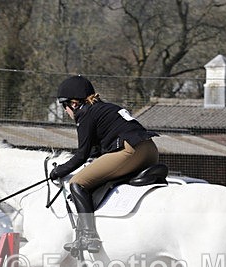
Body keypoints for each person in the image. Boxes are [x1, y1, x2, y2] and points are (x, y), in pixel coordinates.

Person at [48, 75, 159, 255]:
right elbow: (95, 151)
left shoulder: (85, 114)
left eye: (64, 106)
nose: (66, 111)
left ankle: (88, 236)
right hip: (150, 150)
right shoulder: (105, 108)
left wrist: (59, 171)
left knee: (77, 183)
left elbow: (82, 155)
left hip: (130, 150)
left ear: (74, 104)